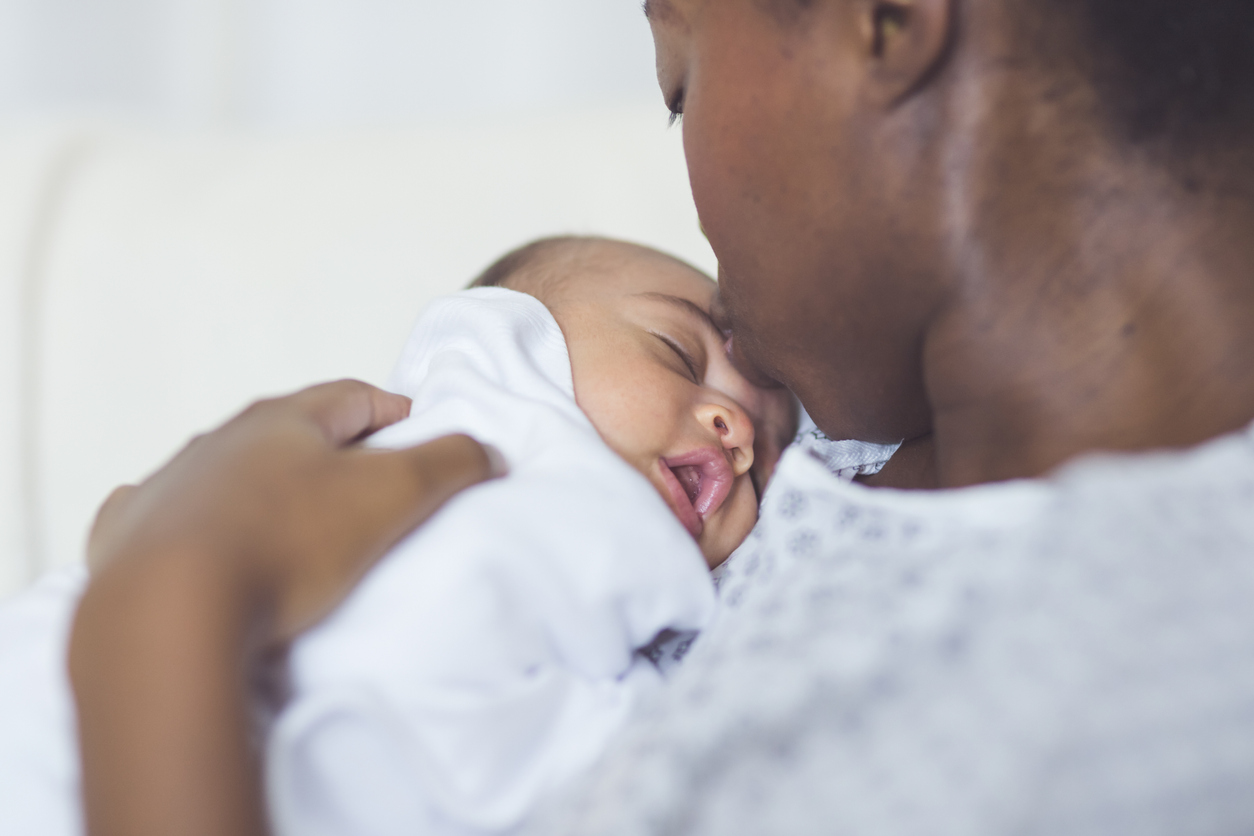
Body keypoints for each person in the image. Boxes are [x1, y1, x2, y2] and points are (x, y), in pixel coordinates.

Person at [65, 0, 1254, 834]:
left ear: (884, 18)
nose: (741, 416)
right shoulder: (844, 435)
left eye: (679, 83)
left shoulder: (1148, 680)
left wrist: (171, 598)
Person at [1, 236, 805, 835]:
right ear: (506, 338)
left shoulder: (645, 642)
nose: (733, 428)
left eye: (765, 464)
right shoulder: (480, 437)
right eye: (676, 351)